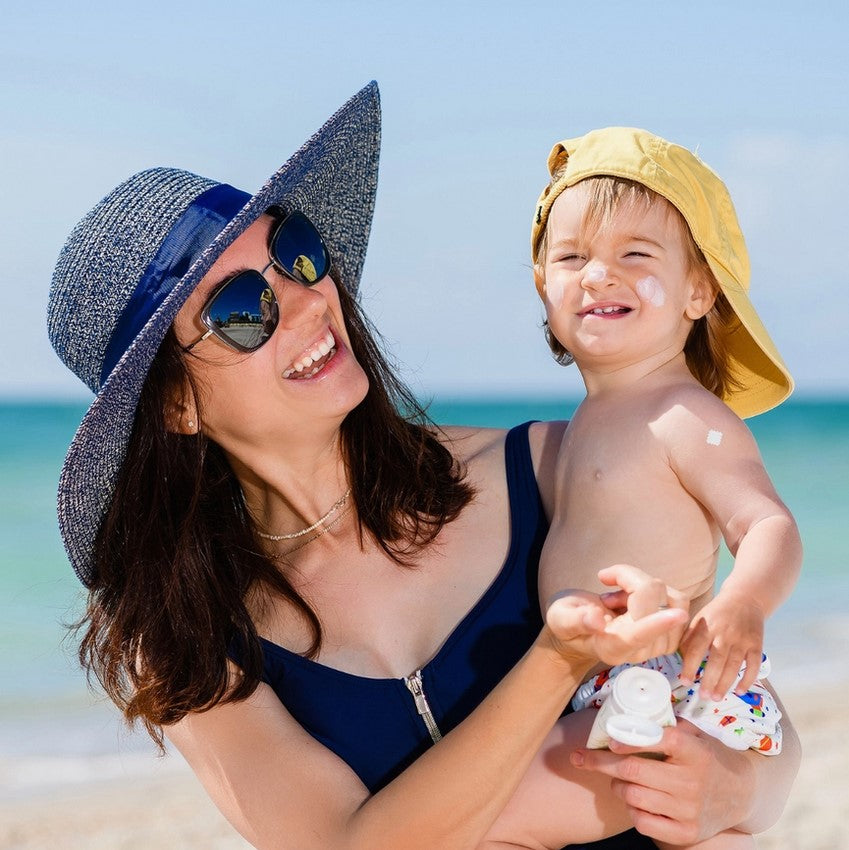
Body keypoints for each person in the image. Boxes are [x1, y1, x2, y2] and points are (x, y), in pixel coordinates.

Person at [48, 83, 800, 850]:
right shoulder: (189, 640)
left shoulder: (548, 465)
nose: (308, 304)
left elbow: (744, 714)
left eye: (297, 255)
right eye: (242, 309)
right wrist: (557, 659)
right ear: (175, 405)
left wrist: (738, 790)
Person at [518, 127, 804, 848]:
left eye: (633, 256)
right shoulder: (586, 421)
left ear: (697, 291)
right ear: (540, 281)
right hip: (607, 690)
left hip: (663, 689)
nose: (597, 275)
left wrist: (742, 601)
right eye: (571, 256)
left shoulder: (686, 416)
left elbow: (766, 523)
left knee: (479, 820)